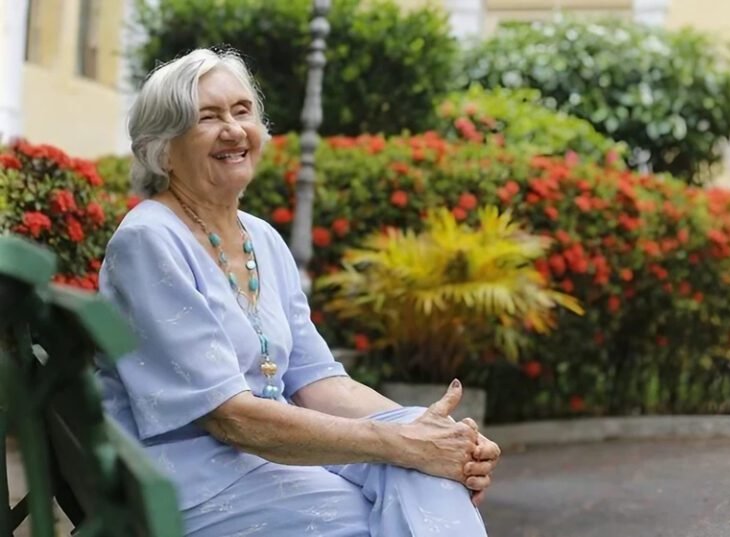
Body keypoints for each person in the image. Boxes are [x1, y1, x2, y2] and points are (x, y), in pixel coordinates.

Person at [96, 48, 500, 537]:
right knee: (393, 507)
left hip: (273, 461)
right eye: (208, 117)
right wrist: (401, 443)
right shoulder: (149, 240)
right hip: (195, 479)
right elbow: (232, 419)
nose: (233, 130)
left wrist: (438, 437)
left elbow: (318, 382)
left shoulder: (261, 237)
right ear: (163, 147)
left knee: (425, 458)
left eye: (242, 111)